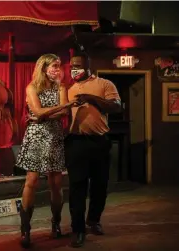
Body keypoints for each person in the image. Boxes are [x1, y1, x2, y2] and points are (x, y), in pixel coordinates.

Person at [17, 54, 75, 248]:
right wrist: (59, 107)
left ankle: (56, 224)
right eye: (54, 66)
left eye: (59, 66)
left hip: (54, 137)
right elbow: (38, 110)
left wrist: (42, 115)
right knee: (31, 181)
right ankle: (25, 230)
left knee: (56, 183)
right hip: (35, 136)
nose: (57, 70)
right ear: (43, 67)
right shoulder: (32, 87)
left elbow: (62, 114)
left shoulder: (61, 87)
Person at [66, 51, 121, 248]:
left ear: (88, 66)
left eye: (78, 66)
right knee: (77, 187)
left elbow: (116, 107)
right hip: (76, 142)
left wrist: (91, 98)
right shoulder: (69, 88)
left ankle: (94, 220)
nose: (74, 69)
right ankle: (78, 229)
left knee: (99, 186)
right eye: (72, 66)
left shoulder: (105, 84)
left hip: (99, 142)